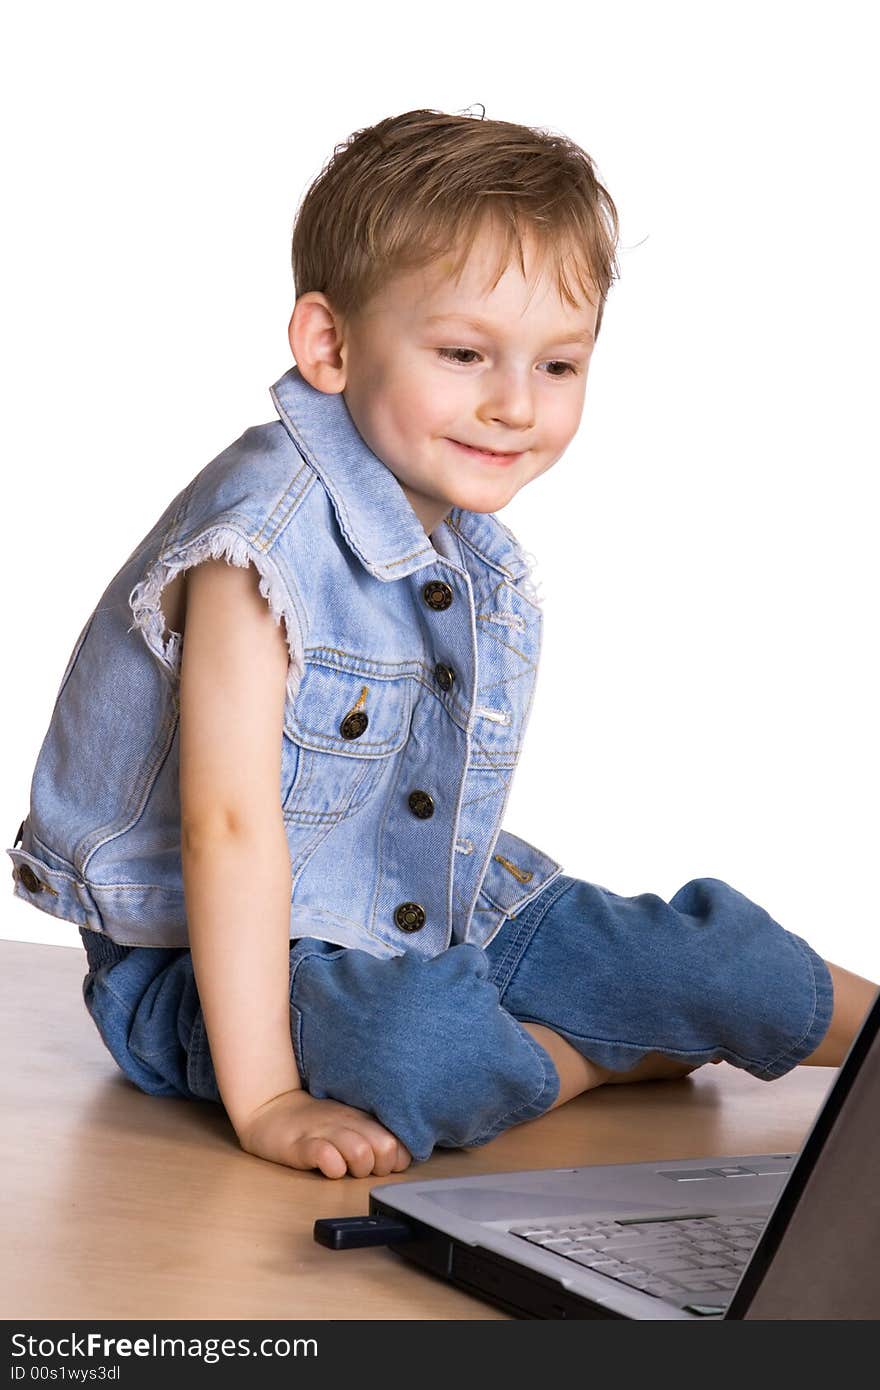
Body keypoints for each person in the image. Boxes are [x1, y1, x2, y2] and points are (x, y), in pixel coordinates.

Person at [9, 109, 877, 1180]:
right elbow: (226, 831)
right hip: (209, 971)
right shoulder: (256, 545)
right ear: (329, 344)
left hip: (432, 912)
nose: (515, 404)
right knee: (421, 1055)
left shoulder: (459, 537)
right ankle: (604, 1050)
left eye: (558, 366)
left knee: (713, 961)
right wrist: (271, 1099)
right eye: (465, 354)